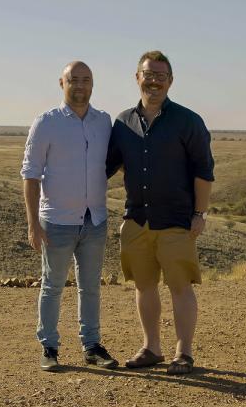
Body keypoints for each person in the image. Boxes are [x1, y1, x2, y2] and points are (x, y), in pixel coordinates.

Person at [105, 51, 214, 375]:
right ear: (137, 77)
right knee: (144, 285)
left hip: (176, 219)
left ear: (170, 81)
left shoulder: (188, 121)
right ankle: (151, 347)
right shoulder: (122, 122)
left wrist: (199, 213)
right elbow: (105, 167)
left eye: (160, 76)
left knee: (180, 286)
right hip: (136, 218)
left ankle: (184, 352)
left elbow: (203, 171)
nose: (153, 81)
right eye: (148, 74)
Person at [21, 61, 117, 372]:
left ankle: (91, 345)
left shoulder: (104, 122)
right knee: (52, 285)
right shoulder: (46, 123)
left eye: (85, 80)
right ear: (61, 83)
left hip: (95, 220)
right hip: (57, 222)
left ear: (93, 84)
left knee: (91, 286)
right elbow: (30, 174)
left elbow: (116, 163)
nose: (79, 85)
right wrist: (33, 223)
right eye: (73, 79)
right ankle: (49, 347)